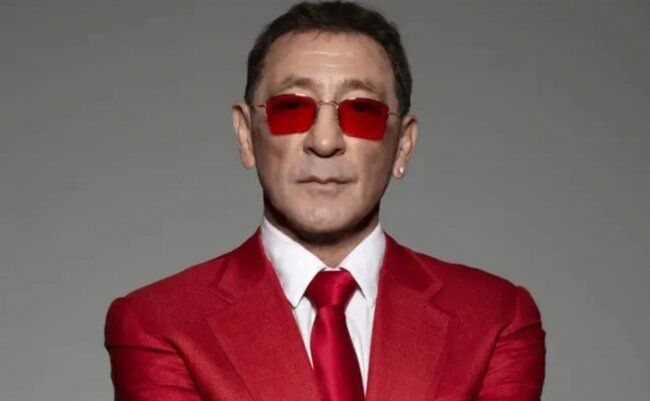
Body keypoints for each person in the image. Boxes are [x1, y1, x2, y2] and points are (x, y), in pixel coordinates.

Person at [104, 2, 546, 400]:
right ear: (246, 135)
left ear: (403, 146)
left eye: (362, 111)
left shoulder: (495, 320)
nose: (325, 141)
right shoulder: (158, 323)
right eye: (291, 108)